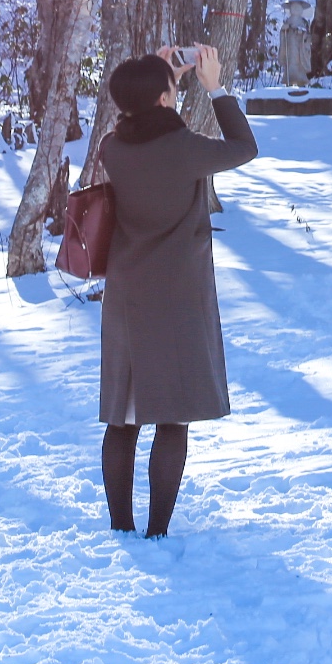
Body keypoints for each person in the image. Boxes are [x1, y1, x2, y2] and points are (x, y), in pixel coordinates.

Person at [95, 43, 258, 538]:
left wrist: (163, 76)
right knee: (173, 415)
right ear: (167, 100)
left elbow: (146, 118)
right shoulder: (186, 151)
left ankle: (120, 525)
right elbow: (244, 147)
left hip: (125, 294)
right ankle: (157, 531)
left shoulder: (111, 148)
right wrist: (215, 87)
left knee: (122, 420)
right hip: (178, 298)